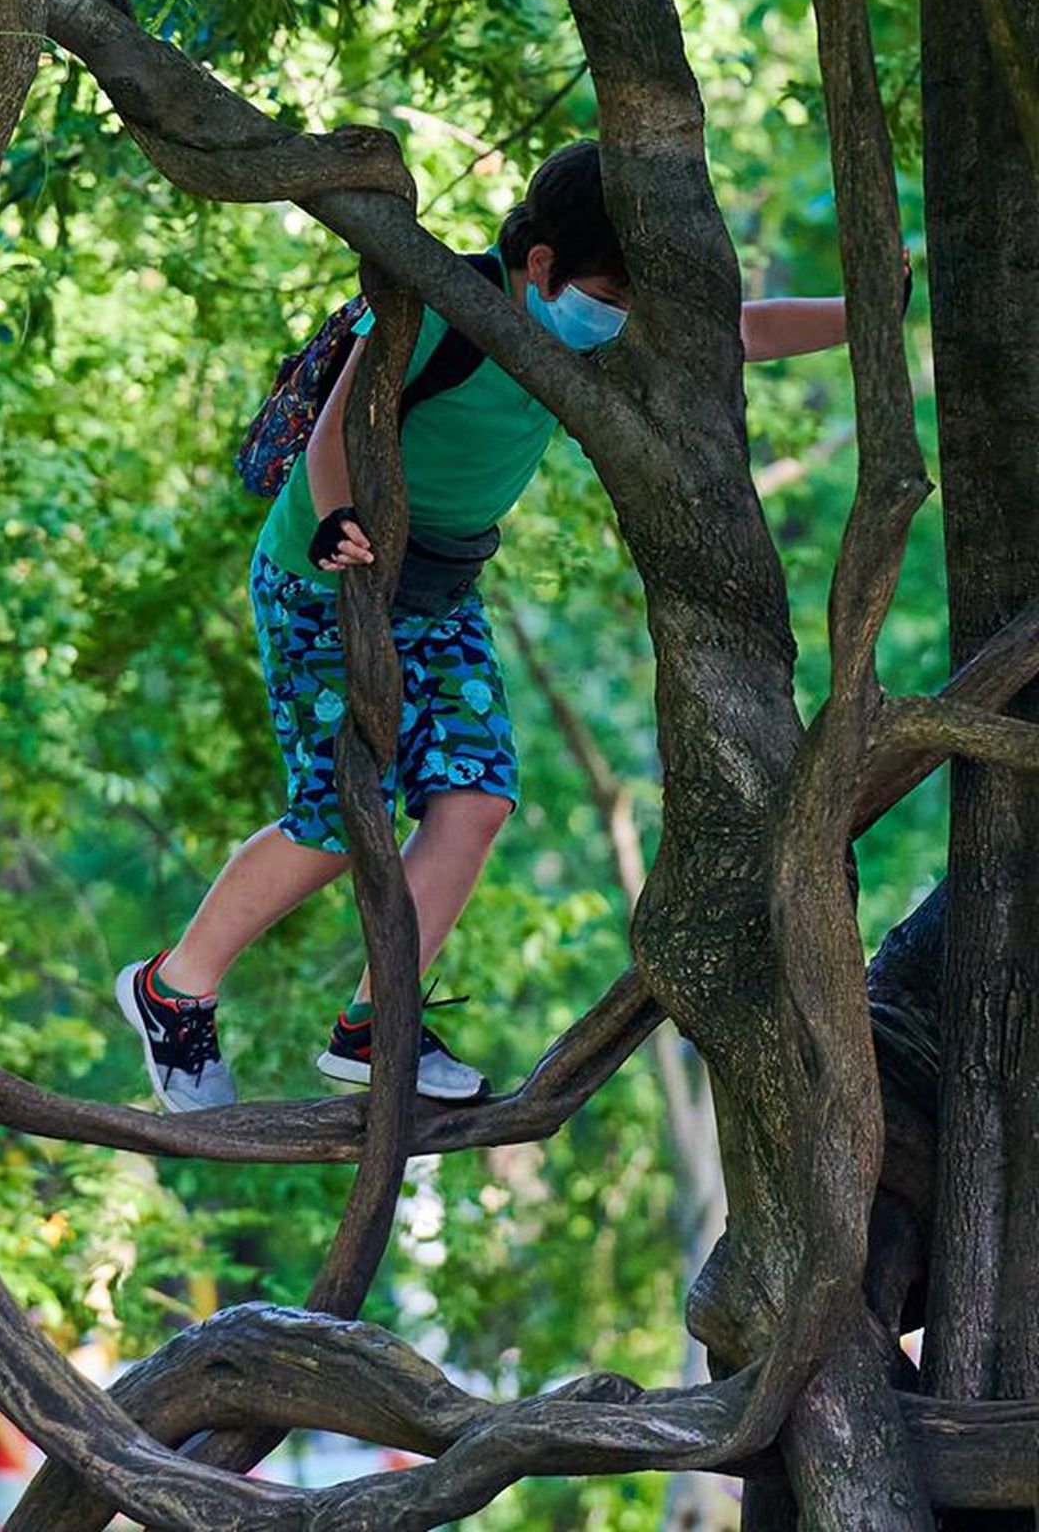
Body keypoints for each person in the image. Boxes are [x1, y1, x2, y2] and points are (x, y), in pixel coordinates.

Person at [115, 140, 849, 1112]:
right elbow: (336, 429)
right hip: (323, 576)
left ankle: (378, 1026)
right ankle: (173, 990)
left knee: (476, 798)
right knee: (337, 819)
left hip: (440, 590)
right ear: (540, 264)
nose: (617, 316)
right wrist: (335, 519)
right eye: (607, 294)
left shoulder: (591, 329)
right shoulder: (436, 305)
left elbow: (735, 332)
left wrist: (864, 313)